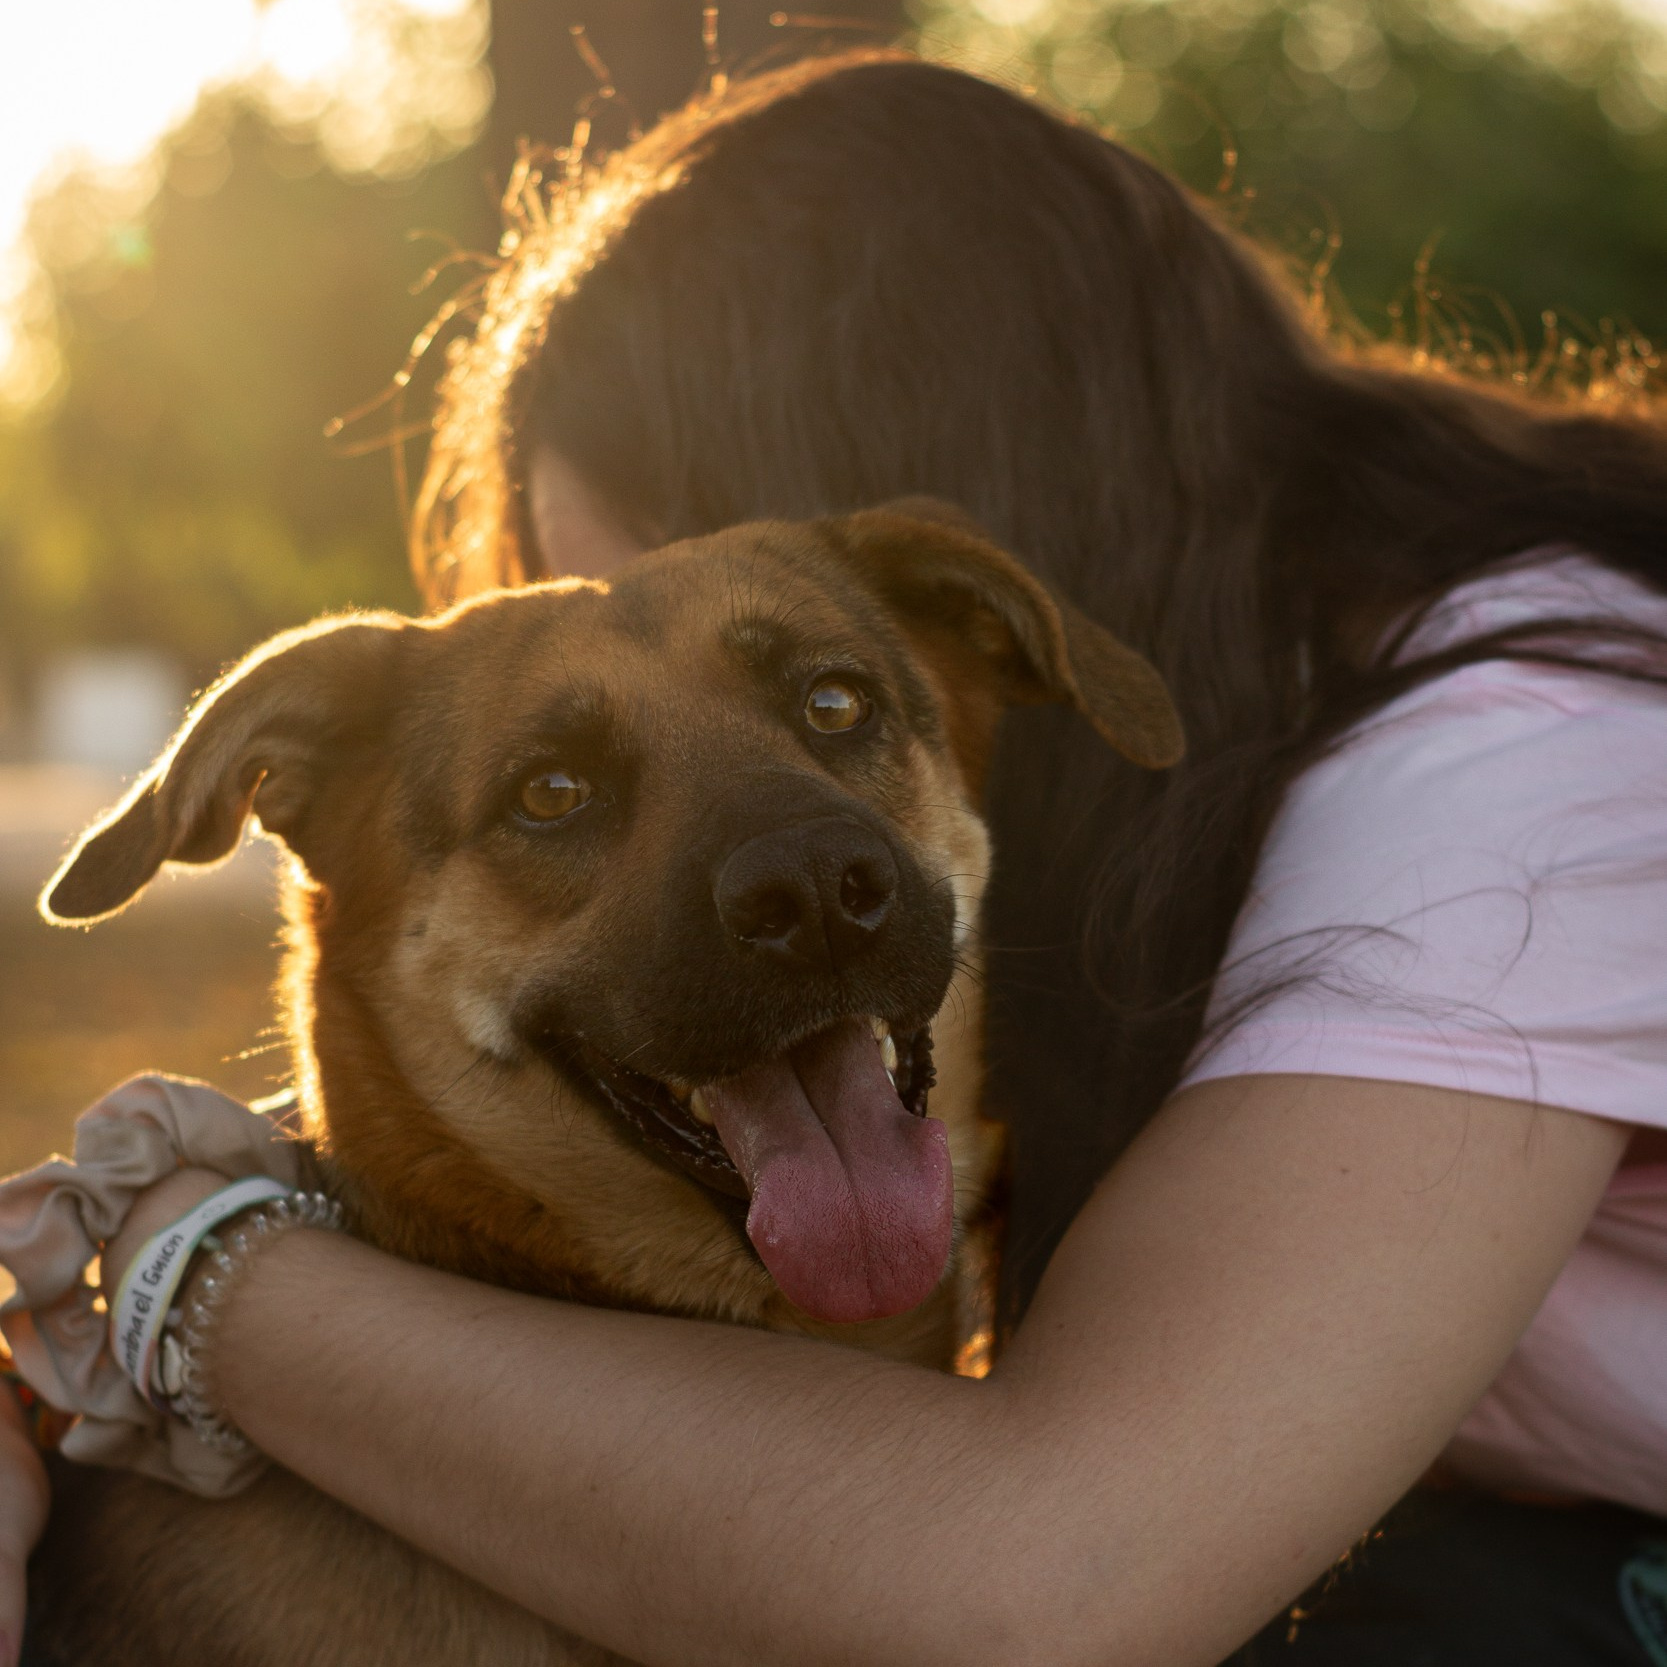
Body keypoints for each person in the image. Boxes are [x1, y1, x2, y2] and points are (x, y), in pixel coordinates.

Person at [7, 48, 1667, 1666]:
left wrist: (180, 1275)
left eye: (815, 689)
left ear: (979, 558)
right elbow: (430, 1072)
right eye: (562, 786)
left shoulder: (1525, 767)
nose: (778, 857)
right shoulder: (1191, 776)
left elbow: (1051, 1586)